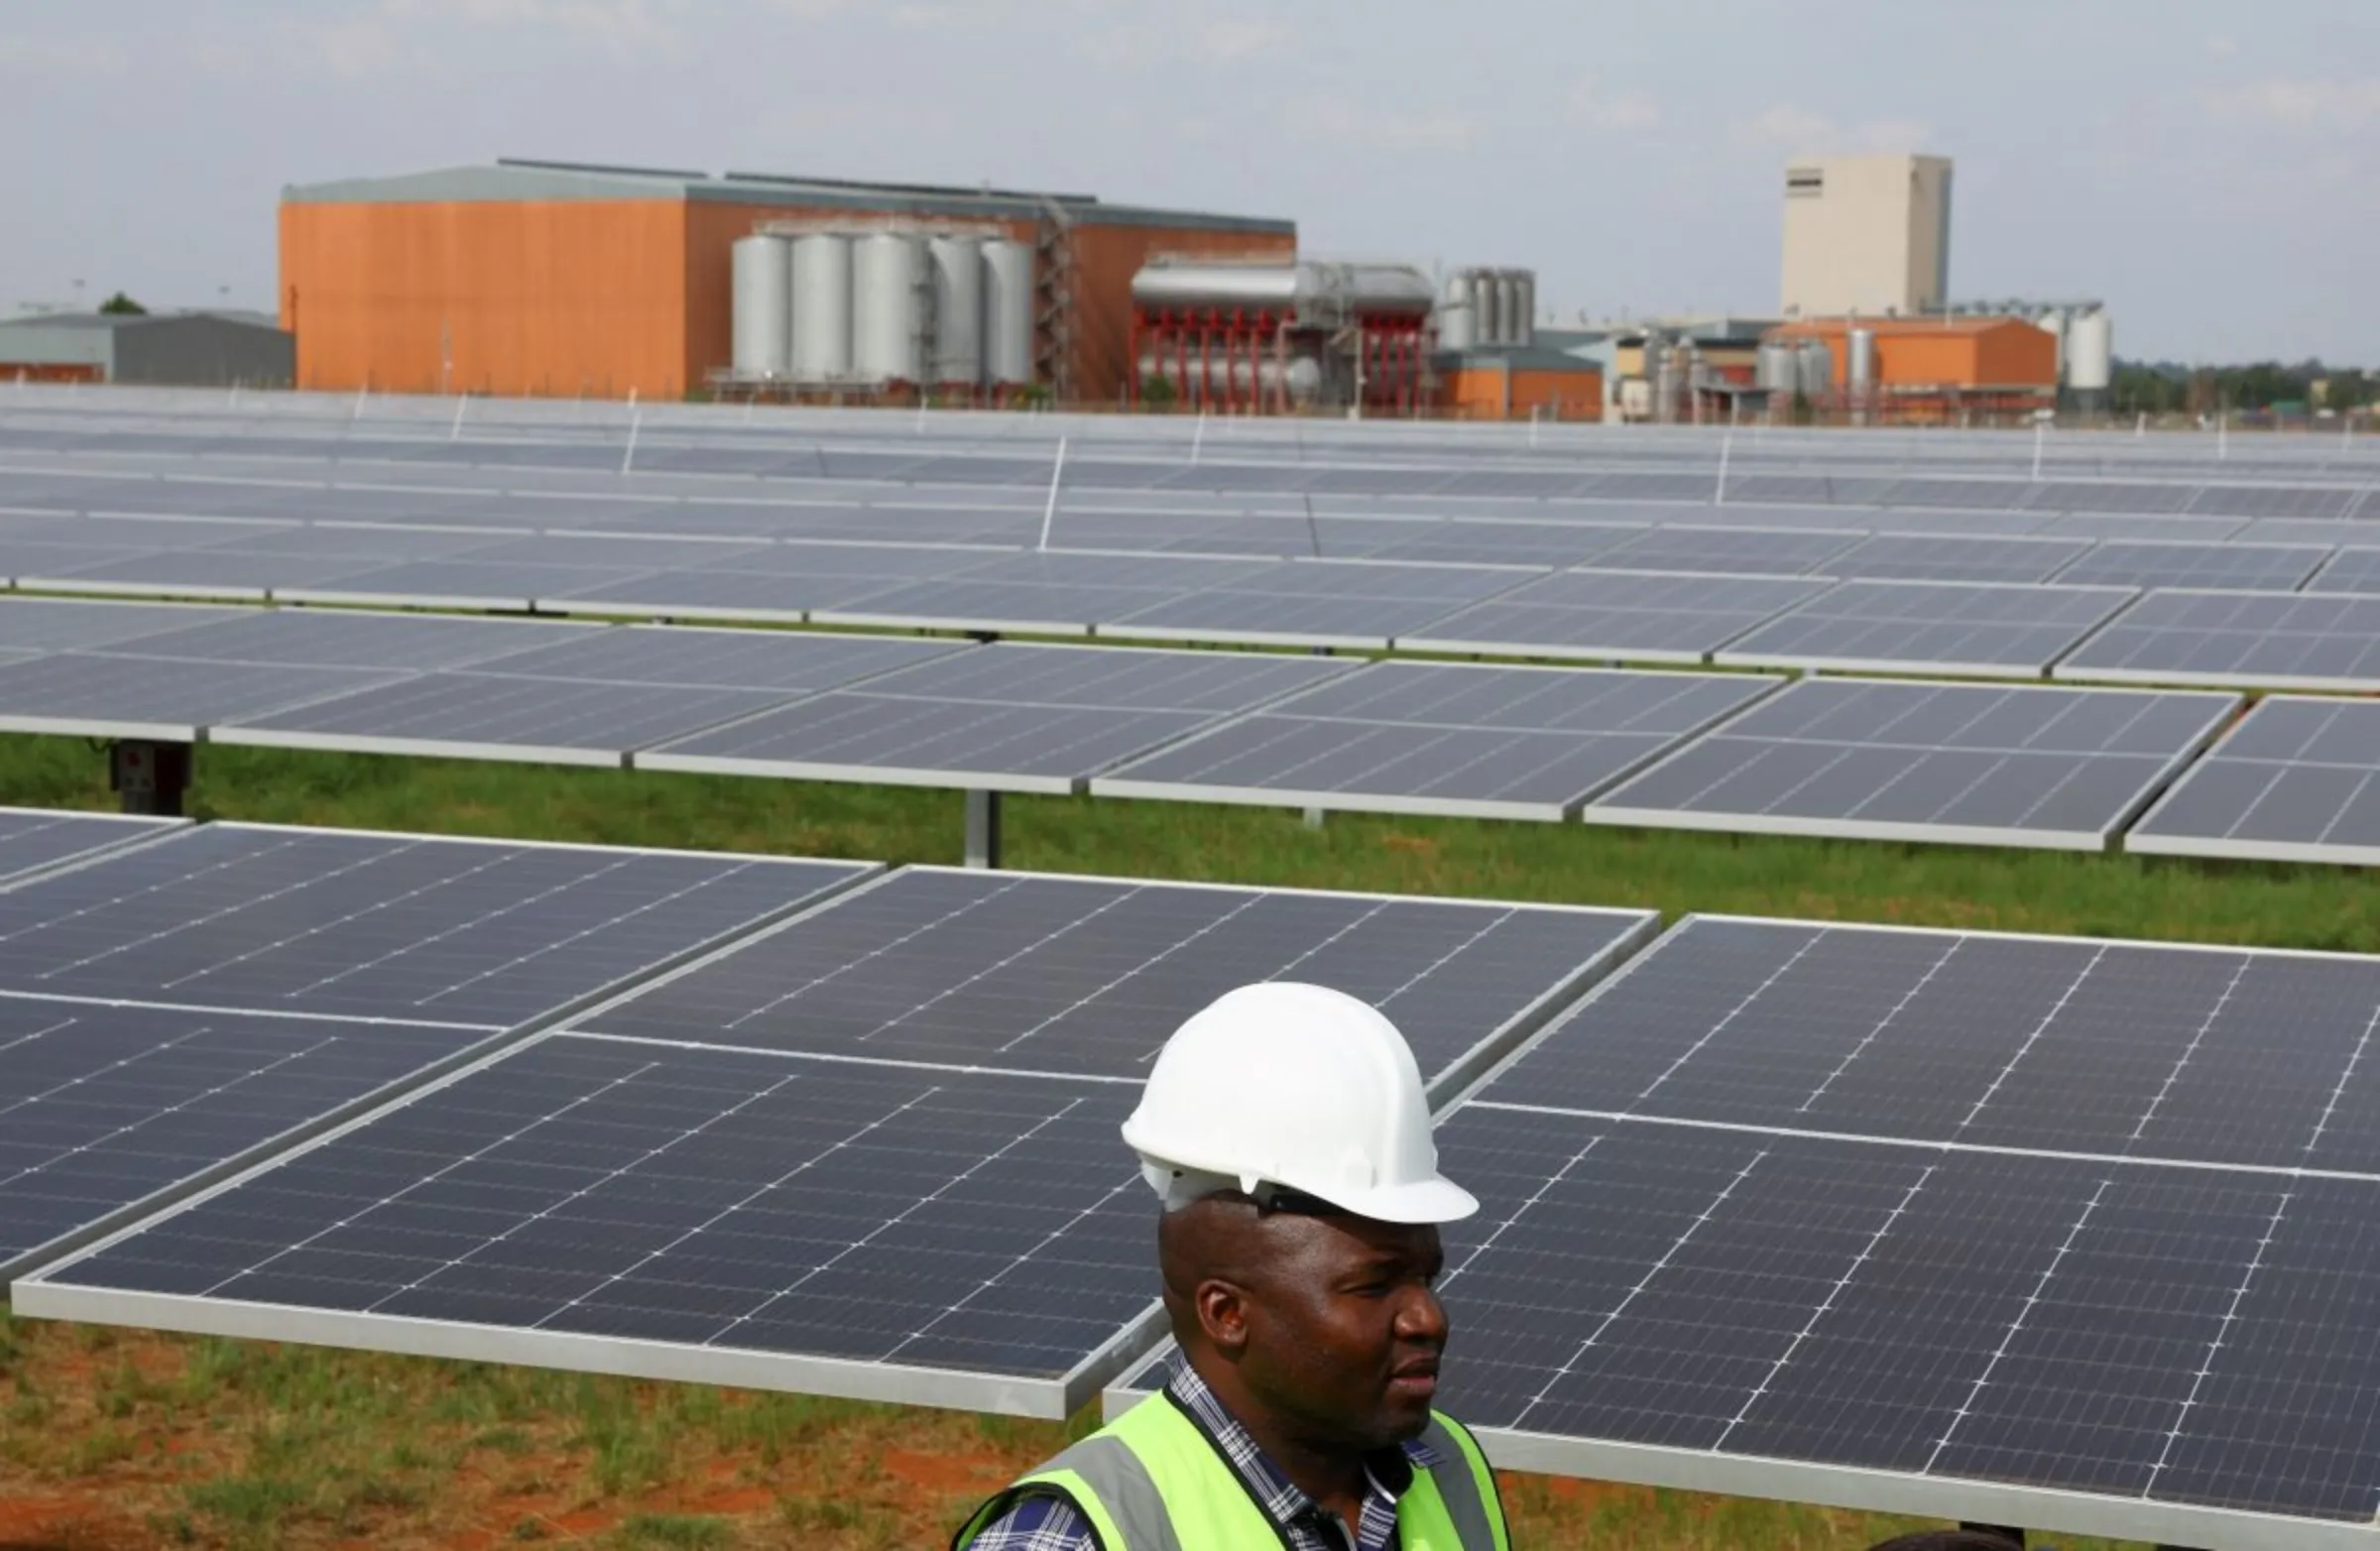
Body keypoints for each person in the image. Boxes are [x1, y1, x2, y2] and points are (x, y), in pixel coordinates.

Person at [953, 981, 1510, 1551]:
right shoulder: (1072, 1541)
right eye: (1373, 1287)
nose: (1427, 1319)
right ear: (1226, 1313)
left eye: (1426, 1278)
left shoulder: (1449, 1467)